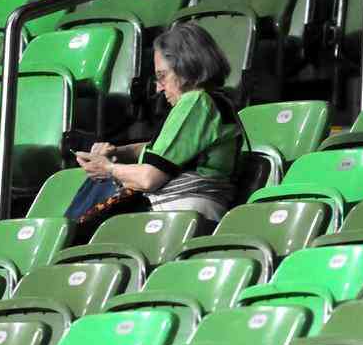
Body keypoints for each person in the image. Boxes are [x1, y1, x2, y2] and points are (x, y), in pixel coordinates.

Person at [67, 21, 245, 235]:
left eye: (162, 76)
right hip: (187, 213)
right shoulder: (213, 102)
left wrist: (108, 169)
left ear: (186, 69)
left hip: (183, 215)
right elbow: (166, 149)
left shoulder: (196, 102)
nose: (159, 88)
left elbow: (148, 178)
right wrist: (118, 152)